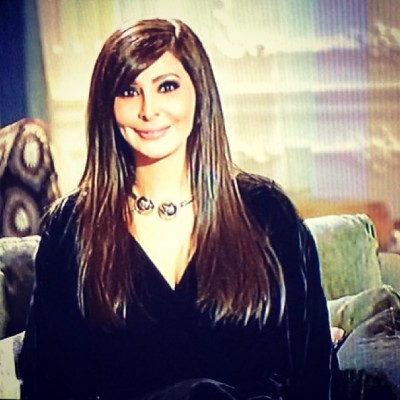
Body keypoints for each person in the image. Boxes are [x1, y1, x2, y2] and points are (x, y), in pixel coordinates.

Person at [18, 18, 335, 400]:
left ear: (199, 92)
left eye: (166, 86)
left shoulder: (267, 213)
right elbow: (48, 383)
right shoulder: (71, 227)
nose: (148, 109)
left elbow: (314, 370)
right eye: (129, 91)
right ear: (108, 106)